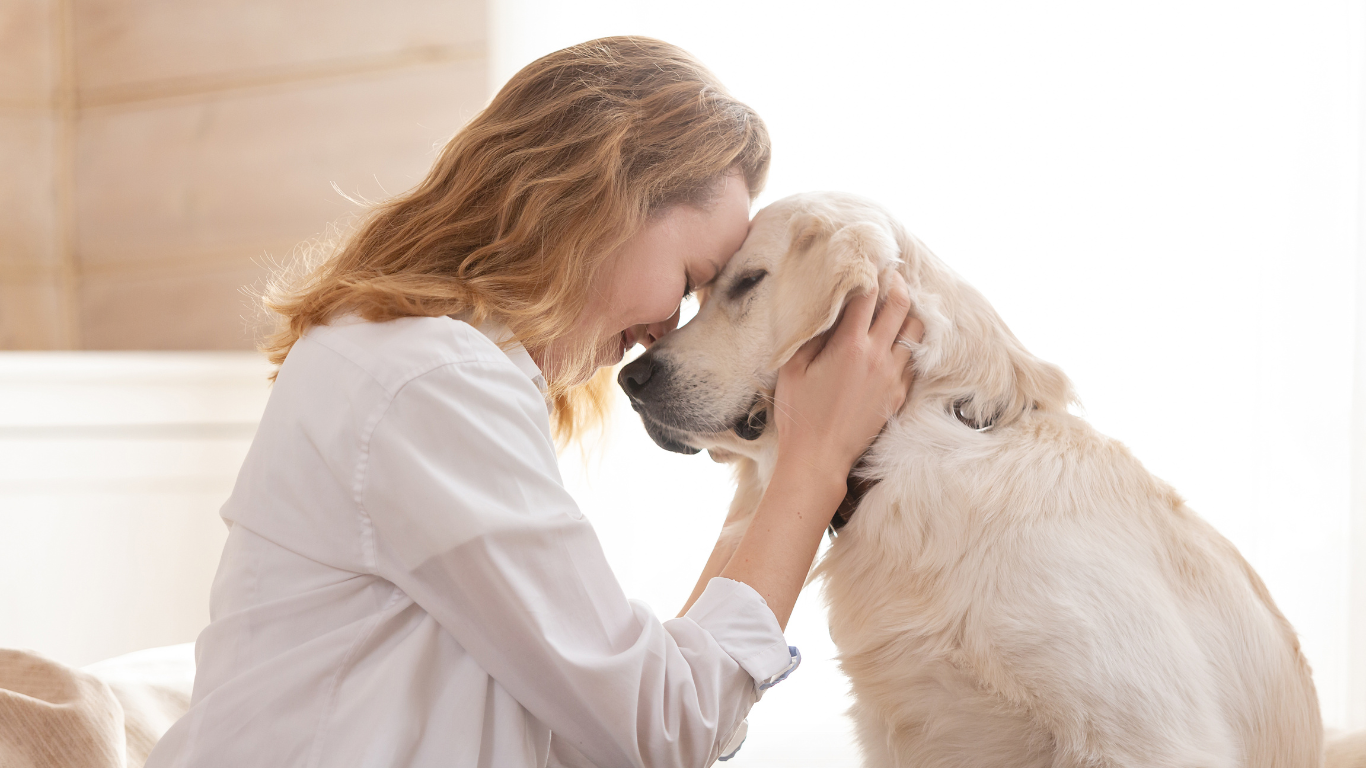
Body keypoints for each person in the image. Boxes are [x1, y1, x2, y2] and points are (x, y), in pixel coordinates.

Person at [145, 36, 917, 768]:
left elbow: (601, 726)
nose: (665, 331)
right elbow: (661, 726)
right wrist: (813, 470)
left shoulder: (414, 361)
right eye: (687, 281)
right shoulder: (428, 380)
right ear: (603, 202)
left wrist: (778, 467)